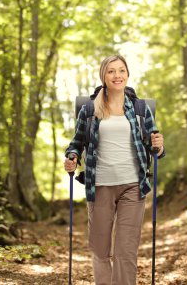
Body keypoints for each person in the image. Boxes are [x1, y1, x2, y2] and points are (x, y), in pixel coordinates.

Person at [64, 55, 165, 285]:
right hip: (99, 186)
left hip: (133, 185)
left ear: (127, 74)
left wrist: (159, 147)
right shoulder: (89, 109)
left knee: (126, 250)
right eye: (111, 71)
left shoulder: (140, 109)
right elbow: (76, 144)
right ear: (103, 76)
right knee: (100, 250)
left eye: (121, 70)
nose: (117, 75)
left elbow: (154, 146)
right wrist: (71, 157)